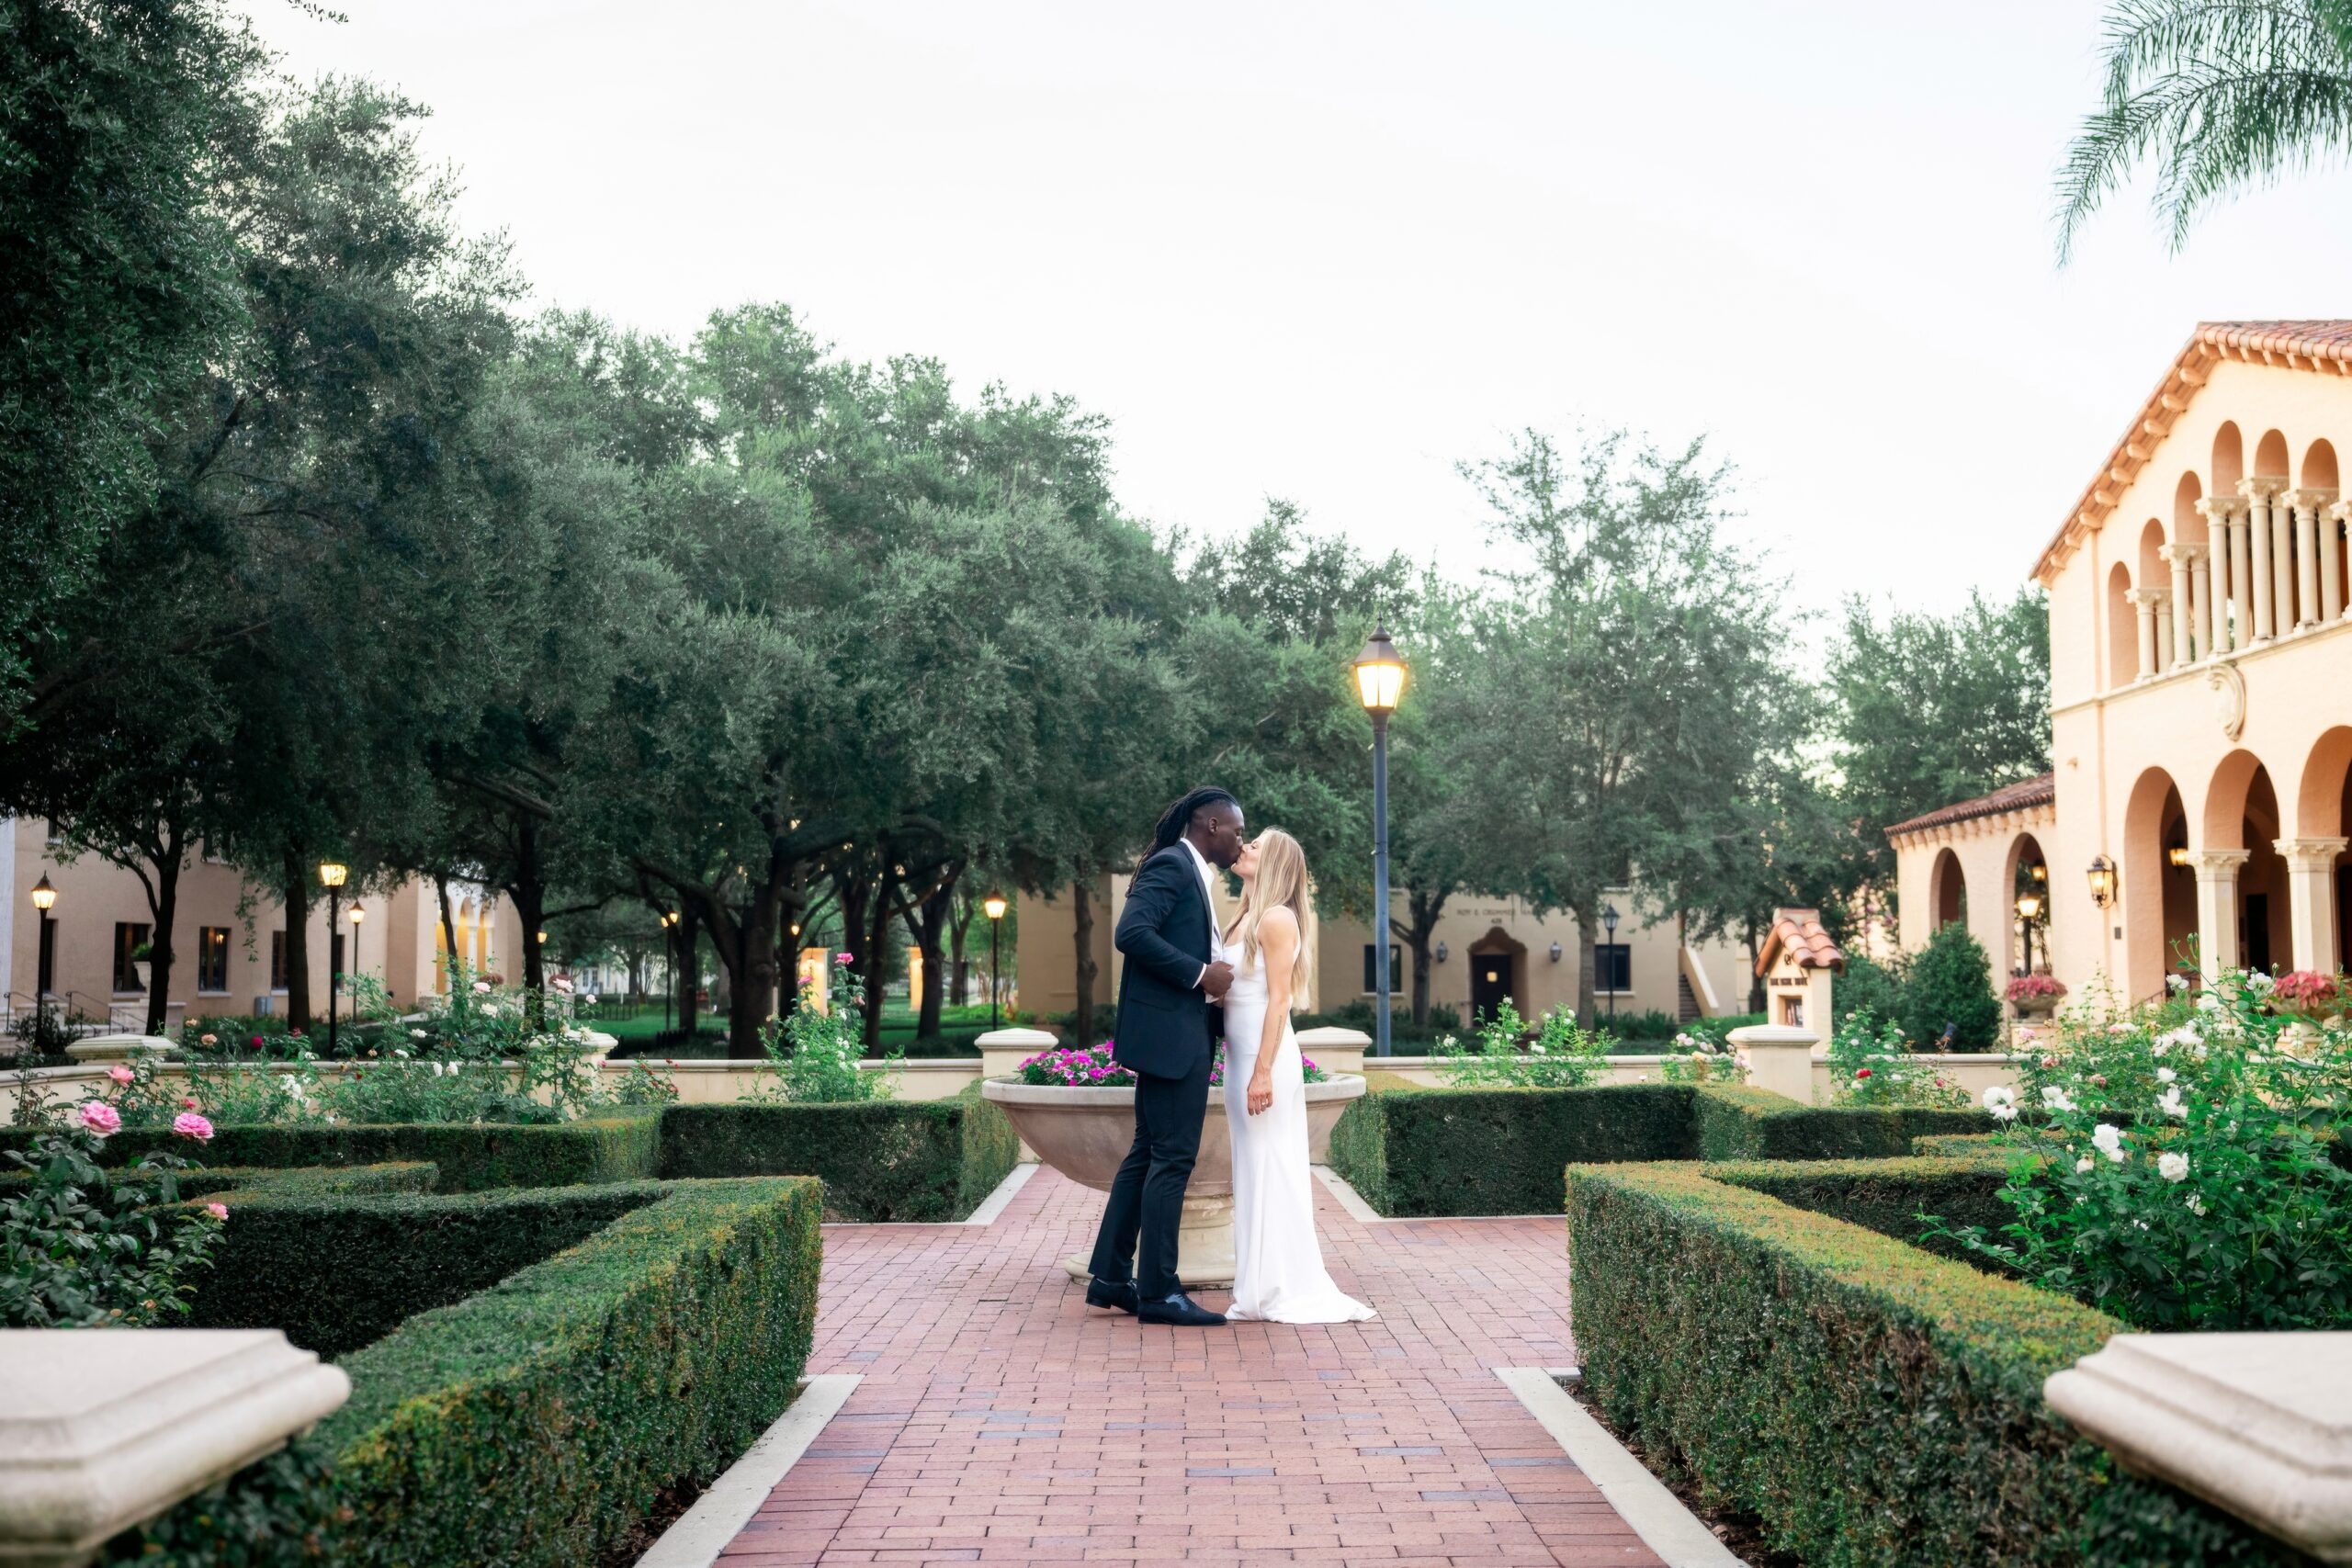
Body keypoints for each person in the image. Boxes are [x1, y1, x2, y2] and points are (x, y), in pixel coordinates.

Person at [1082, 786, 1243, 1327]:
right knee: (1171, 1159)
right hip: (1173, 1038)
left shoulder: (1189, 870)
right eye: (1237, 830)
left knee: (1147, 1153)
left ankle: (1111, 1277)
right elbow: (1131, 933)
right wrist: (1200, 974)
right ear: (1212, 825)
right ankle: (1159, 1292)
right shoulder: (1175, 864)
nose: (1240, 840)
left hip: (1175, 1034)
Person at [1221, 829, 1376, 1324]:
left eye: (1256, 845)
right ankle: (1257, 1286)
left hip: (1264, 1058)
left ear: (1274, 864)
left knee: (1271, 1167)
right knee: (1252, 1168)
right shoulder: (1243, 916)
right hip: (1240, 1056)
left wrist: (1262, 1072)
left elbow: (1281, 999)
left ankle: (1277, 1287)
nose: (1244, 847)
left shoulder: (1276, 918)